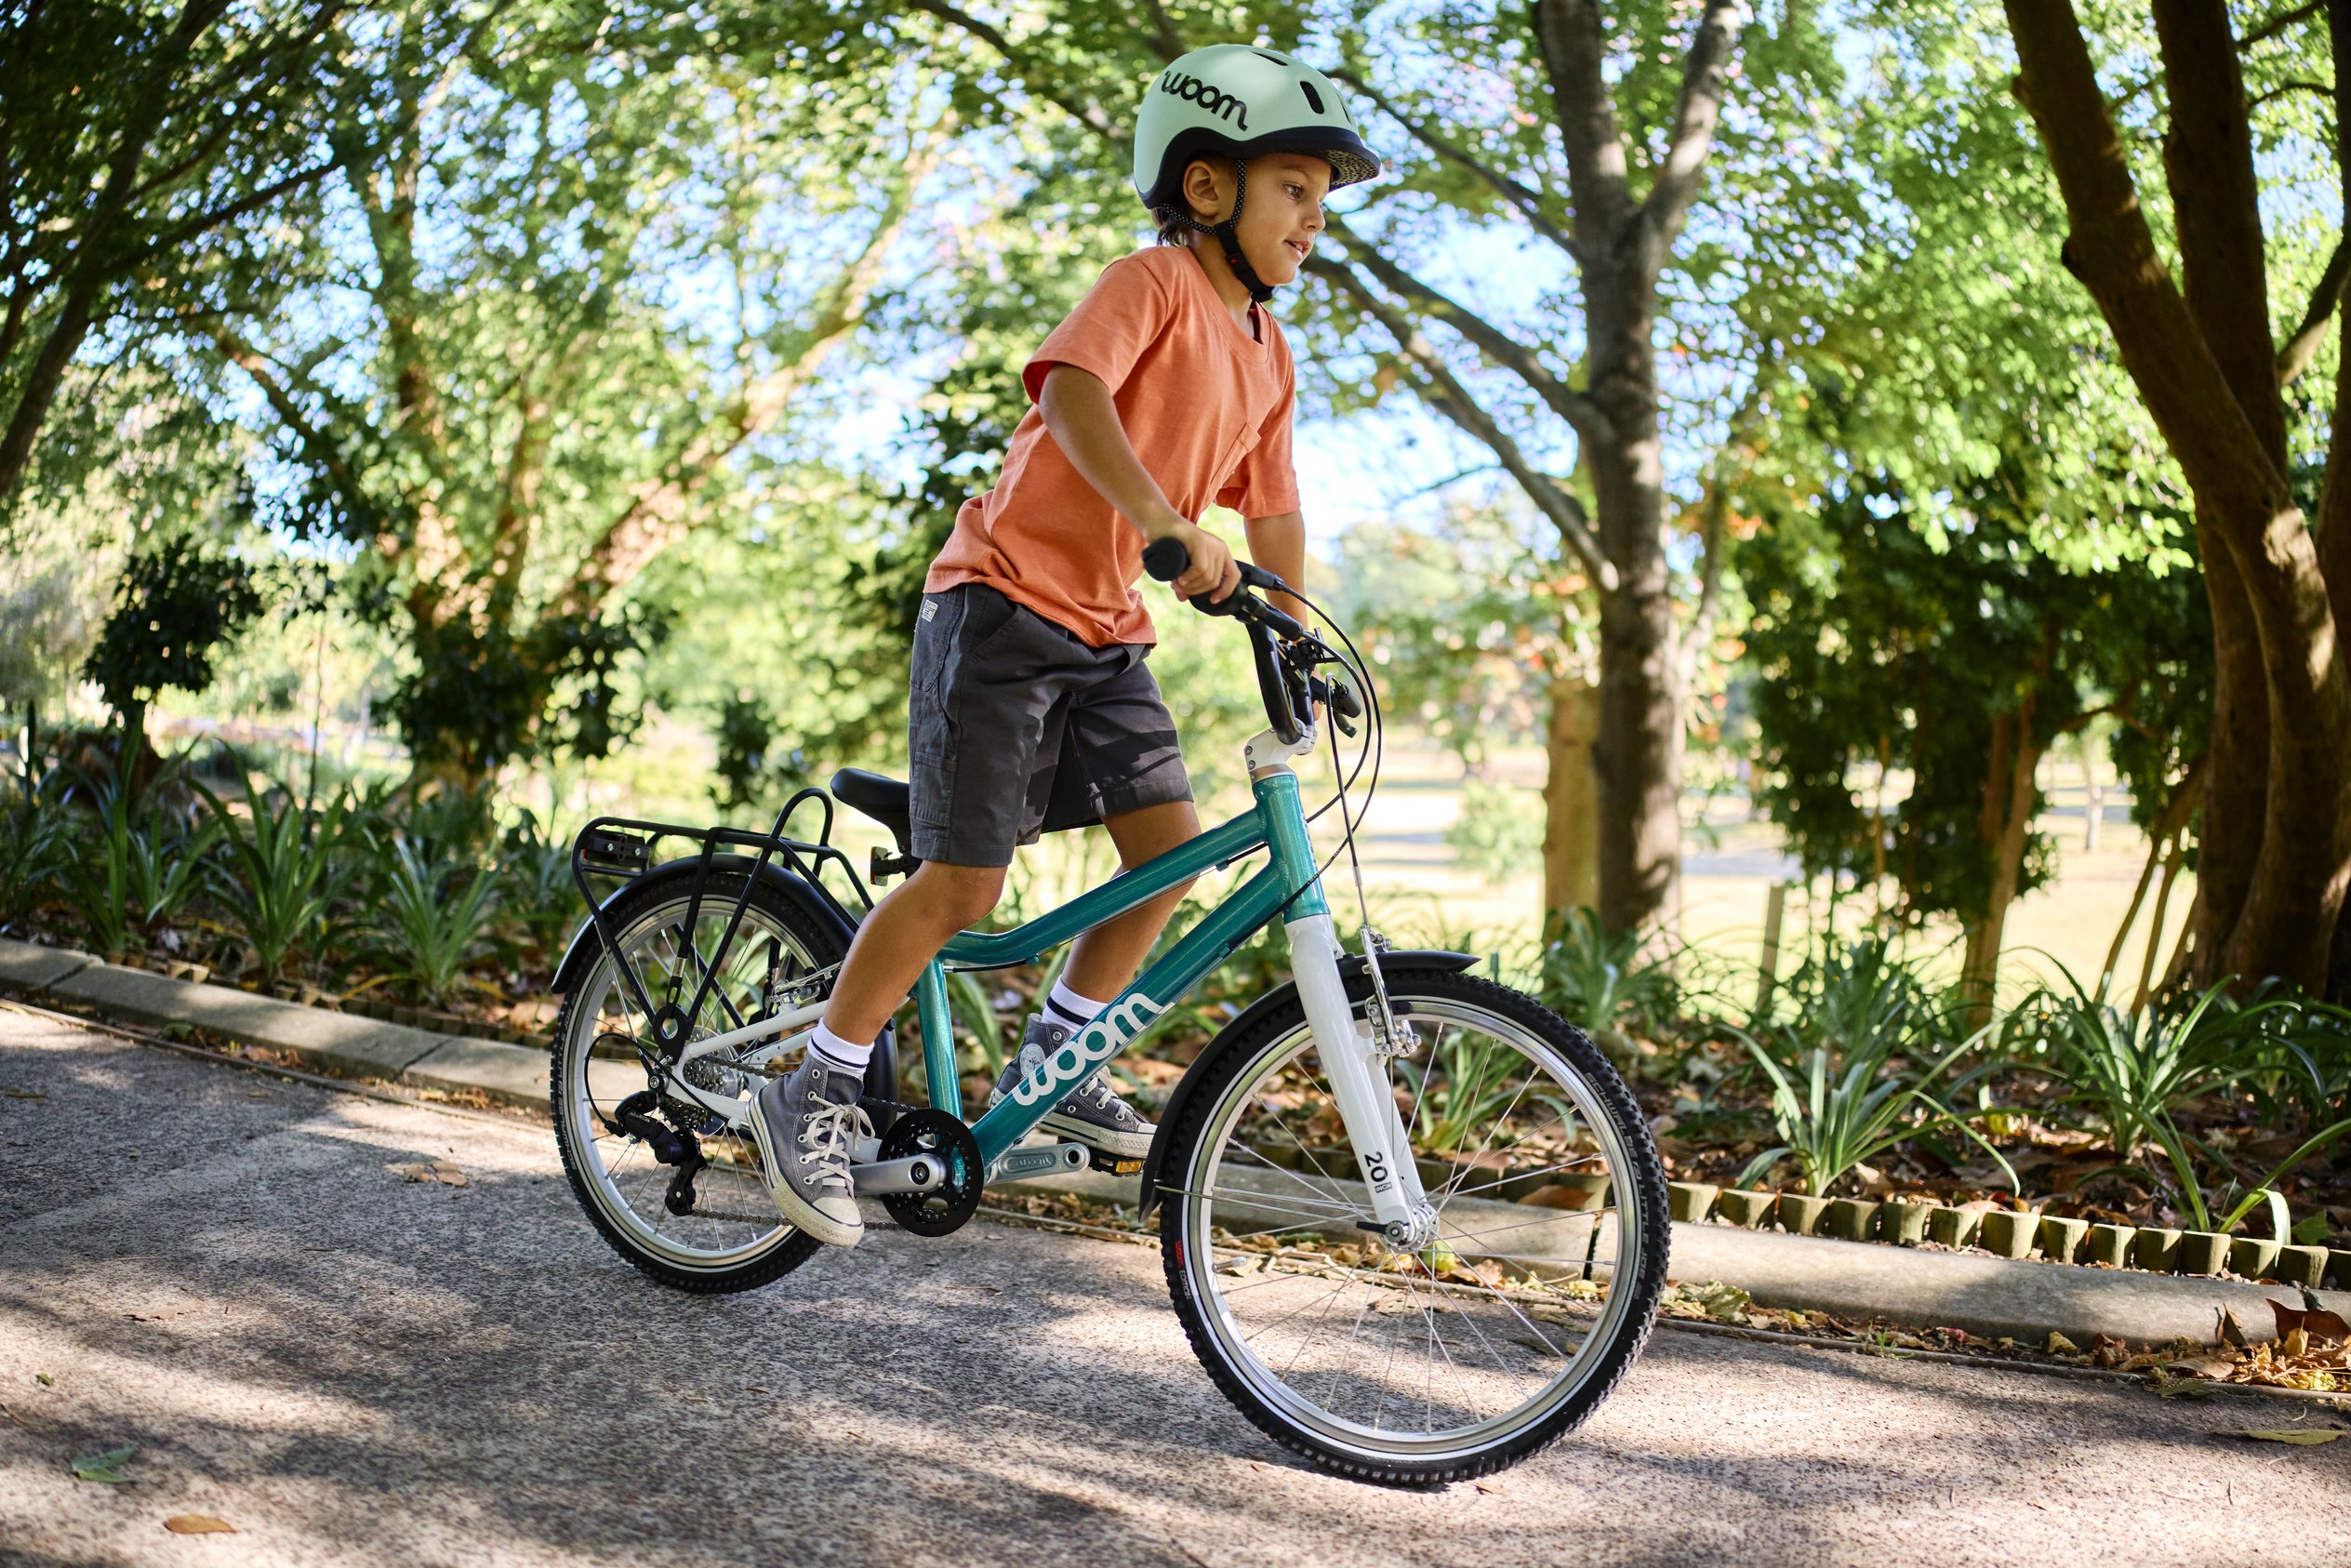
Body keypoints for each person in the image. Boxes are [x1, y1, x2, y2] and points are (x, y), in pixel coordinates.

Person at [748, 44, 1383, 1246]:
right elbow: (1073, 395)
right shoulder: (1150, 284)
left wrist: (1296, 637)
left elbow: (1278, 508)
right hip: (999, 604)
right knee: (963, 884)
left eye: (1322, 196)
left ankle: (1061, 1047)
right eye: (1293, 187)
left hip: (1106, 636)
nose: (1314, 216)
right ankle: (813, 1087)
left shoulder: (1269, 350)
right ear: (1208, 189)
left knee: (1172, 848)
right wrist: (1160, 522)